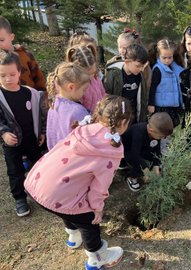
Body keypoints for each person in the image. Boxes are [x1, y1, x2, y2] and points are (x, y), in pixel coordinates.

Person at [24, 96, 131, 270]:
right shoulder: (111, 149)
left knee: (67, 209)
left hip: (36, 183)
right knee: (88, 221)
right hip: (57, 193)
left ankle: (73, 237)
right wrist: (96, 209)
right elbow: (100, 186)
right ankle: (97, 257)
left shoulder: (84, 127)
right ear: (124, 122)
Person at [0, 51, 47, 216]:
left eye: (12, 74)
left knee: (39, 164)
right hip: (12, 144)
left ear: (19, 72)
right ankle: (20, 198)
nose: (8, 79)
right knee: (15, 171)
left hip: (31, 138)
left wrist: (42, 132)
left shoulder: (31, 94)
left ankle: (41, 190)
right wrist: (4, 133)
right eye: (2, 75)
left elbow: (41, 115)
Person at [122, 112, 174, 192]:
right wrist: (145, 170)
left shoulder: (156, 133)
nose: (163, 138)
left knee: (157, 158)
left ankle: (151, 169)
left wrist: (156, 166)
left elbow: (157, 151)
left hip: (142, 148)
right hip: (128, 150)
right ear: (151, 130)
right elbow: (135, 155)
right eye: (161, 136)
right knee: (139, 164)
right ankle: (131, 177)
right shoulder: (139, 132)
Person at [46, 62, 90, 150]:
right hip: (74, 158)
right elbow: (88, 140)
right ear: (71, 87)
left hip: (56, 155)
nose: (85, 93)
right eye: (84, 90)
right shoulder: (78, 111)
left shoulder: (54, 103)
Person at [104, 44, 148, 124]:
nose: (141, 69)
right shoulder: (113, 74)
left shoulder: (140, 75)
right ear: (127, 62)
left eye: (143, 66)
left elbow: (142, 99)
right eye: (138, 66)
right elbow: (108, 96)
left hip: (134, 117)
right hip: (118, 117)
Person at [0, 16, 46, 91]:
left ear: (11, 37)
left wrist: (43, 96)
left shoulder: (25, 55)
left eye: (1, 40)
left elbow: (39, 79)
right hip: (7, 100)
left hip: (31, 98)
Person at [148, 39, 184, 127]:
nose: (167, 60)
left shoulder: (175, 68)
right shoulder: (157, 69)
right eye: (164, 58)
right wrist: (151, 104)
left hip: (173, 105)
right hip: (161, 107)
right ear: (158, 55)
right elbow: (152, 88)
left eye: (170, 57)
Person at [66, 44, 106, 112]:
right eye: (87, 75)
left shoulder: (95, 78)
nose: (91, 77)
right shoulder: (76, 89)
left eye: (93, 73)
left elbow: (103, 94)